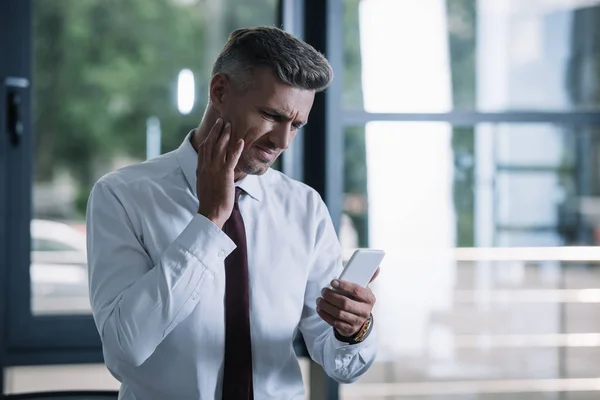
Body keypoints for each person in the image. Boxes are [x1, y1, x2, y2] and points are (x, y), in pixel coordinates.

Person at [87, 26, 378, 400]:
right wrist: (208, 223)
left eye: (297, 125)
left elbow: (341, 364)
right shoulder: (122, 197)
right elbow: (124, 351)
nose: (283, 141)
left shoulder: (304, 208)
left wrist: (353, 330)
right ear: (220, 91)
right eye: (272, 115)